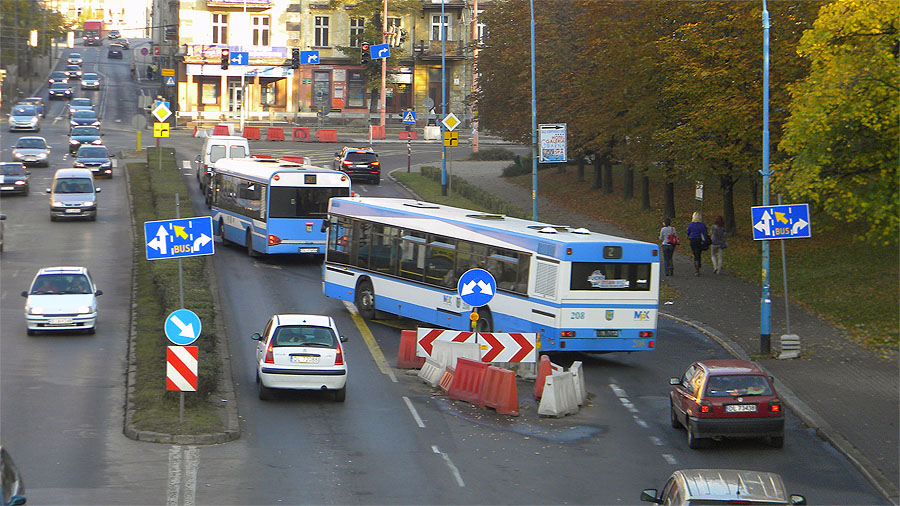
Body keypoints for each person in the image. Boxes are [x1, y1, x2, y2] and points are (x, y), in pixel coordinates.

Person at [687, 211, 708, 276]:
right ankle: (699, 263)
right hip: (700, 240)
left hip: (693, 240)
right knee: (699, 253)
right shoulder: (702, 225)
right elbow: (705, 232)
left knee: (695, 253)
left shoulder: (691, 224)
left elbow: (688, 232)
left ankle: (697, 268)